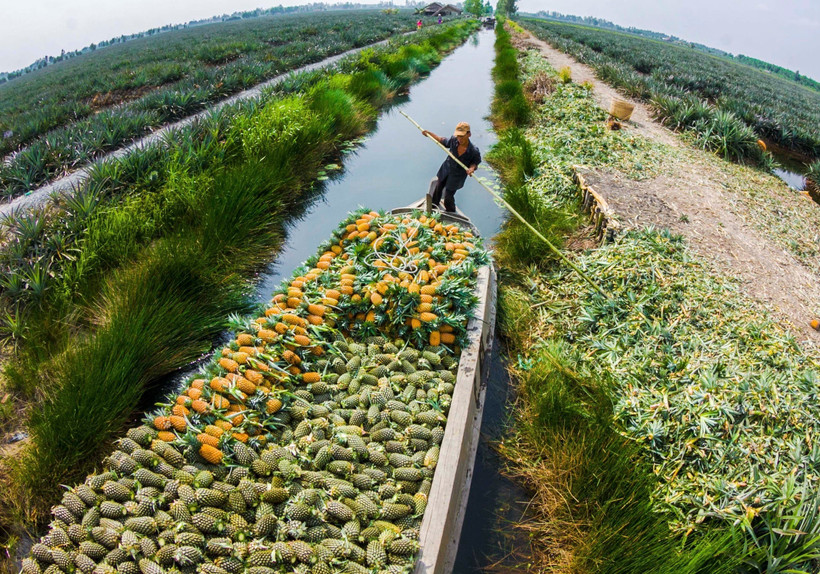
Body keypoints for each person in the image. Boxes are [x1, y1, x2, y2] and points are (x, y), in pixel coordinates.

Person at [422, 122, 481, 213]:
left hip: (457, 176)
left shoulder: (473, 150)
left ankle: (451, 212)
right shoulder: (453, 140)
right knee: (438, 187)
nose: (459, 139)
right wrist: (429, 134)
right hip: (446, 169)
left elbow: (475, 163)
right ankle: (433, 206)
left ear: (469, 134)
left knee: (448, 196)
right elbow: (442, 140)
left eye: (462, 136)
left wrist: (472, 169)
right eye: (458, 136)